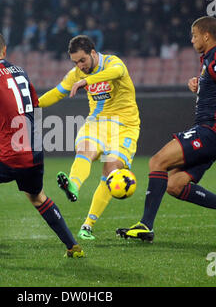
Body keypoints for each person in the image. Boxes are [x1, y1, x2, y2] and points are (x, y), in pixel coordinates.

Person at [116, 16, 216, 242]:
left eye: (194, 35)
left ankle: (145, 226)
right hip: (213, 133)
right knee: (174, 185)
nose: (191, 40)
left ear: (206, 35)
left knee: (157, 162)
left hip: (211, 131)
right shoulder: (211, 59)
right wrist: (199, 87)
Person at [0, 30, 84, 257]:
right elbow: (32, 107)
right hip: (33, 149)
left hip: (9, 156)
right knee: (37, 196)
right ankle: (73, 246)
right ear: (4, 50)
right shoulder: (20, 72)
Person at [38, 35, 140, 240]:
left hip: (125, 126)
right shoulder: (76, 73)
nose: (80, 66)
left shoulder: (112, 62)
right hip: (97, 123)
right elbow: (57, 93)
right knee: (85, 149)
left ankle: (88, 225)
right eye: (75, 62)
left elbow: (117, 72)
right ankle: (73, 185)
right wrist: (31, 105)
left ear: (93, 53)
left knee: (111, 170)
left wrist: (86, 80)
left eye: (82, 60)